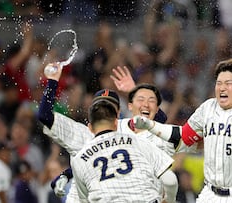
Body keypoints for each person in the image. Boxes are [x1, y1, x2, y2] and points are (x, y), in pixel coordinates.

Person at [131, 58, 232, 202]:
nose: (222, 88)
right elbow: (183, 136)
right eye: (219, 83)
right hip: (210, 193)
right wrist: (150, 126)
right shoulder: (207, 108)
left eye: (228, 83)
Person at [38, 64, 178, 203]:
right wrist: (67, 174)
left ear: (118, 112)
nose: (105, 110)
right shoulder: (131, 138)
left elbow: (160, 120)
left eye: (108, 106)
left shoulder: (128, 128)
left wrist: (53, 80)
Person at [71, 99, 174, 202]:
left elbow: (84, 200)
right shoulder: (138, 141)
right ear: (116, 122)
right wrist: (169, 200)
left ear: (90, 128)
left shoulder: (79, 159)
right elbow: (171, 181)